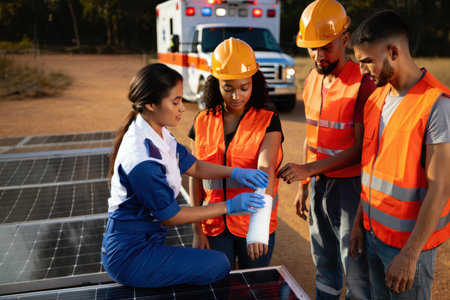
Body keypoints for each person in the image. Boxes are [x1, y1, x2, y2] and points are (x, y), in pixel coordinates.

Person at [101, 63, 270, 288]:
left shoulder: (158, 132)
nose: (182, 108)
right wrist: (228, 206)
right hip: (129, 256)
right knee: (219, 264)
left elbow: (196, 167)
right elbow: (171, 217)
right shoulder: (142, 159)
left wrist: (236, 172)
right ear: (151, 104)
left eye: (181, 100)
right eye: (175, 102)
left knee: (213, 264)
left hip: (145, 243)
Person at [277, 0, 375, 298]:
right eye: (312, 48)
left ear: (345, 39)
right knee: (324, 262)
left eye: (326, 47)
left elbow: (359, 150)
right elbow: (313, 136)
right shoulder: (310, 81)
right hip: (320, 185)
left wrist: (307, 170)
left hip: (352, 190)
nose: (318, 55)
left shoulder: (363, 83)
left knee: (355, 268)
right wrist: (305, 185)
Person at [349, 10, 450, 298]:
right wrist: (359, 223)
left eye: (367, 61)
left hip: (407, 248)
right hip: (371, 233)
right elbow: (371, 170)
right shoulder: (376, 99)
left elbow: (441, 189)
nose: (362, 70)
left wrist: (409, 255)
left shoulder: (437, 107)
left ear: (393, 51)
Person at [188, 38, 283, 269]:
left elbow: (266, 168)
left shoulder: (268, 120)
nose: (236, 96)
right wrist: (197, 229)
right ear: (216, 84)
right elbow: (195, 175)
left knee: (254, 288)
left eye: (244, 87)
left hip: (252, 224)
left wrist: (258, 229)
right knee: (220, 287)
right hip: (213, 226)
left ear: (254, 82)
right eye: (228, 88)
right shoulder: (202, 121)